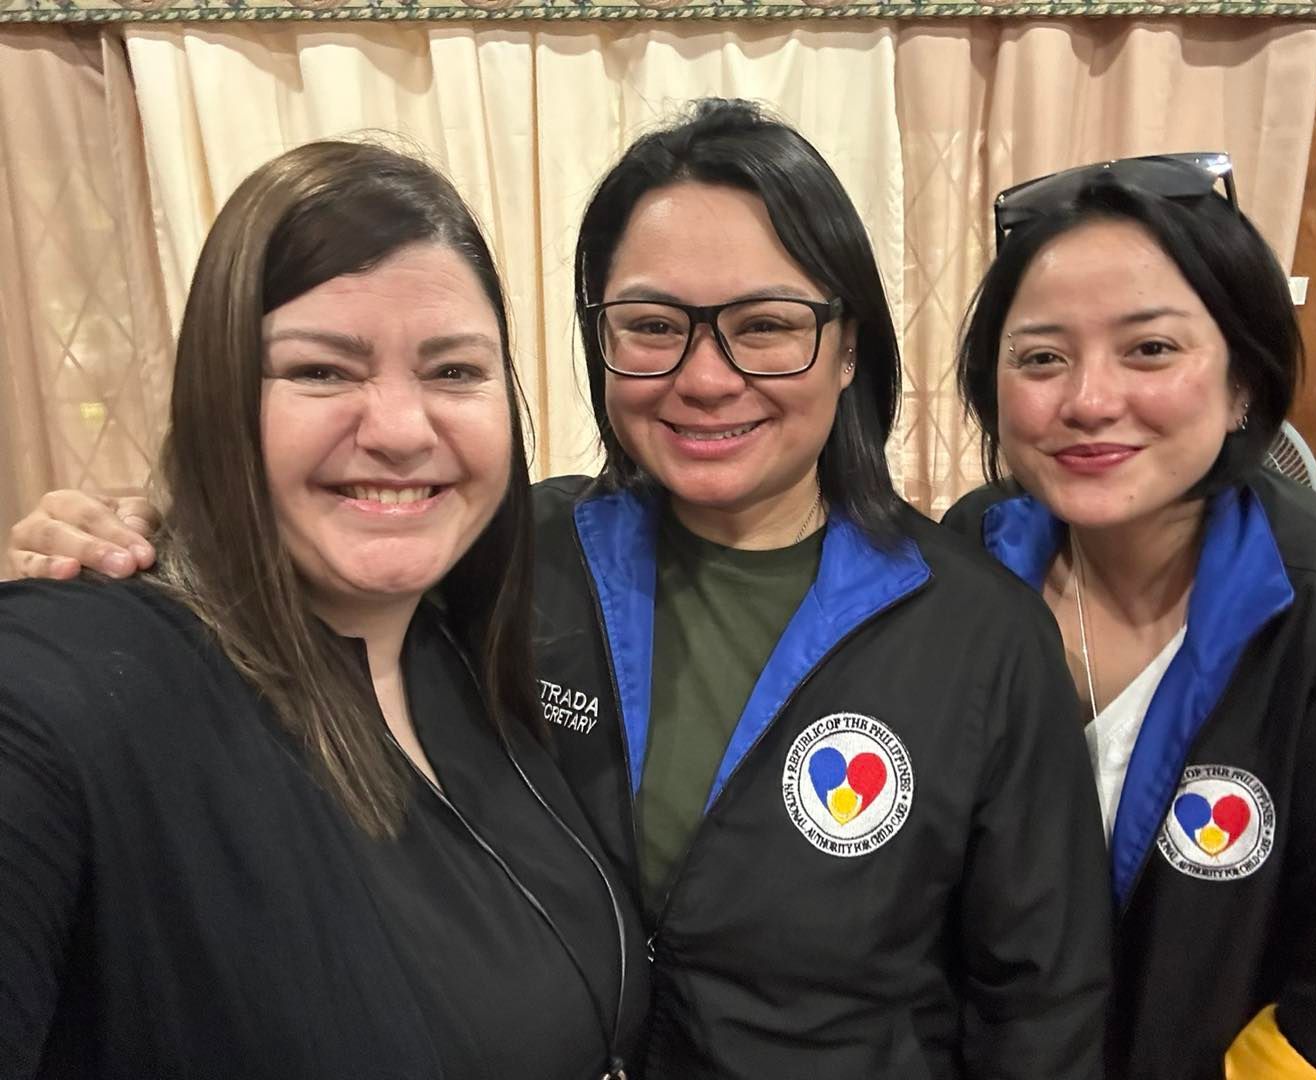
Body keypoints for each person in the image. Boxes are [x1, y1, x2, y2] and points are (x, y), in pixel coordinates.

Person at [6, 100, 1111, 1078]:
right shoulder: (509, 555)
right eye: (653, 326)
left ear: (846, 347)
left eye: (767, 325)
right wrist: (154, 529)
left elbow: (1042, 1004)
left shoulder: (978, 632)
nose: (707, 375)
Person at [0, 140, 646, 1080]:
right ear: (218, 394)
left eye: (454, 372)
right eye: (321, 371)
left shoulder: (464, 652)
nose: (397, 428)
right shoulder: (74, 688)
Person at [943, 154, 1316, 1079]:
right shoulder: (968, 558)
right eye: (1042, 357)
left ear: (1242, 379)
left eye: (1151, 349)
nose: (1090, 401)